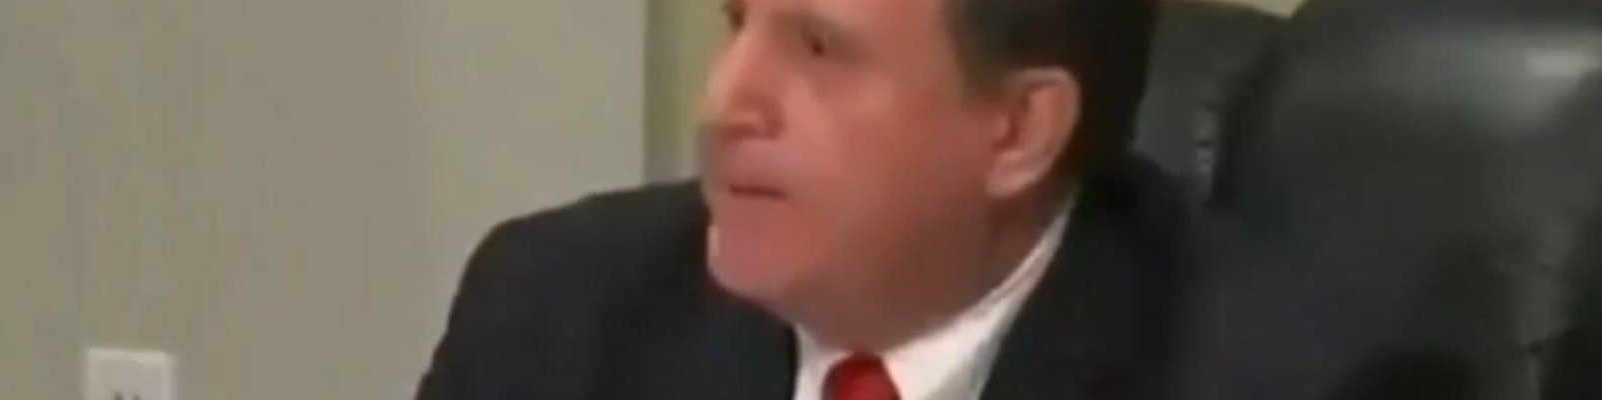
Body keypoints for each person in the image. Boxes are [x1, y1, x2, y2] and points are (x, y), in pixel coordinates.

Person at [416, 0, 1188, 398]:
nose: (722, 105)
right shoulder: (552, 315)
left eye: (817, 48)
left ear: (1017, 130)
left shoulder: (1236, 376)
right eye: (736, 20)